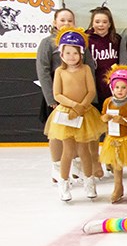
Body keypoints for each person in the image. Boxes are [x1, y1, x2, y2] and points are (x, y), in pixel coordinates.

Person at [44, 28, 106, 201]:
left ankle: (89, 181)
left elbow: (91, 91)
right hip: (66, 114)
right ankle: (63, 183)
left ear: (81, 53)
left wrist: (81, 106)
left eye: (75, 53)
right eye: (68, 53)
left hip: (84, 113)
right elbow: (57, 94)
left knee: (84, 150)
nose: (72, 56)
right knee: (68, 151)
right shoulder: (59, 72)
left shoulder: (86, 69)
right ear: (61, 54)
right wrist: (72, 106)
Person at [36, 8, 96, 183]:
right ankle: (56, 166)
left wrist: (86, 98)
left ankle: (77, 165)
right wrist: (52, 99)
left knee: (77, 132)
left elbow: (89, 67)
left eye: (70, 20)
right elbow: (43, 71)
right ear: (55, 22)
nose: (66, 23)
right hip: (58, 98)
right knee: (57, 134)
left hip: (79, 99)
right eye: (62, 20)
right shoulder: (47, 43)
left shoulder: (81, 42)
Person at [99, 64, 127, 203]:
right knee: (116, 165)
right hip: (113, 139)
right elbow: (103, 116)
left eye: (123, 87)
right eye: (117, 87)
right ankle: (118, 187)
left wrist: (123, 120)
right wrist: (104, 118)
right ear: (112, 88)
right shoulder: (108, 102)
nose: (120, 90)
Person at [87, 6, 121, 109]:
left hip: (113, 88)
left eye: (104, 22)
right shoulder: (86, 39)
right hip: (94, 87)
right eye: (97, 22)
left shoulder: (117, 39)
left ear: (110, 24)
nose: (101, 25)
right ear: (92, 23)